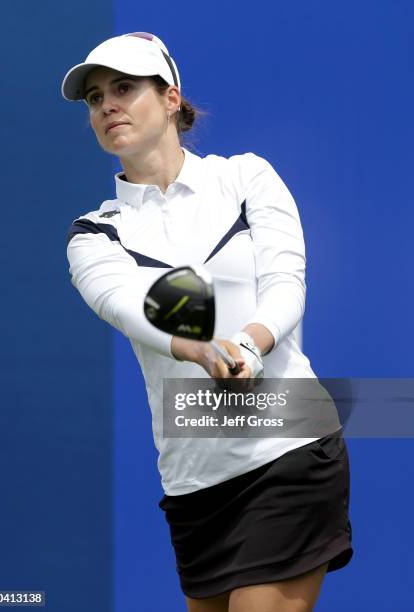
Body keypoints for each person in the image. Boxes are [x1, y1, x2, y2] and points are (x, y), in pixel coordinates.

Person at [61, 32, 353, 612]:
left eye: (124, 88)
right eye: (95, 98)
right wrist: (197, 350)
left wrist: (249, 343)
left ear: (171, 98)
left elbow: (285, 283)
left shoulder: (245, 178)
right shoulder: (95, 233)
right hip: (193, 481)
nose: (107, 106)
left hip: (289, 445)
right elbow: (123, 305)